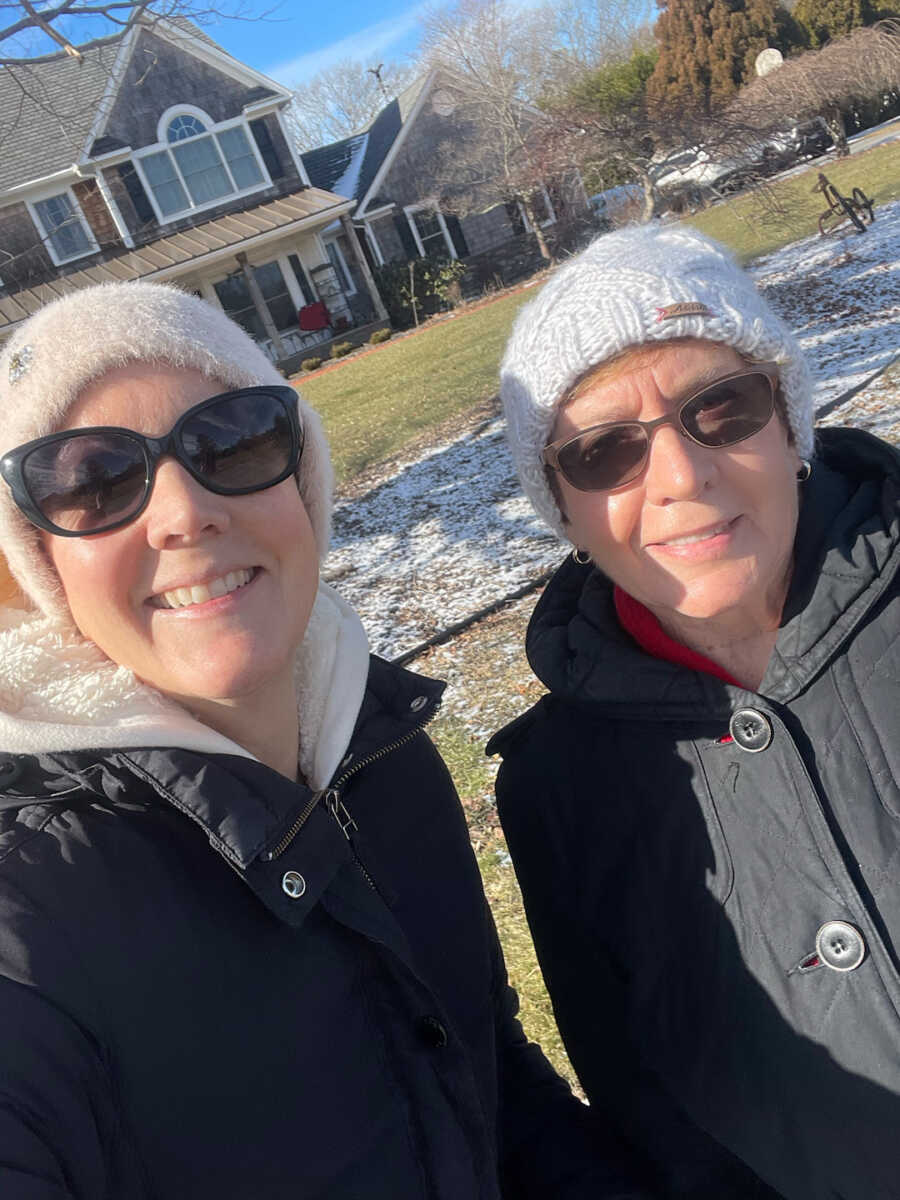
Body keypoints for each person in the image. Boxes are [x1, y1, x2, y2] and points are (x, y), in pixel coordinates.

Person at [0, 282, 650, 1199]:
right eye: (94, 484)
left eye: (232, 441)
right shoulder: (28, 916)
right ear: (44, 564)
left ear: (302, 482)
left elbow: (490, 1087)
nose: (184, 513)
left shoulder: (382, 757)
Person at [488, 224, 900, 1200]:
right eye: (603, 452)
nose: (679, 476)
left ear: (789, 421)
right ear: (563, 507)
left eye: (722, 406)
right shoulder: (555, 791)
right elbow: (658, 1127)